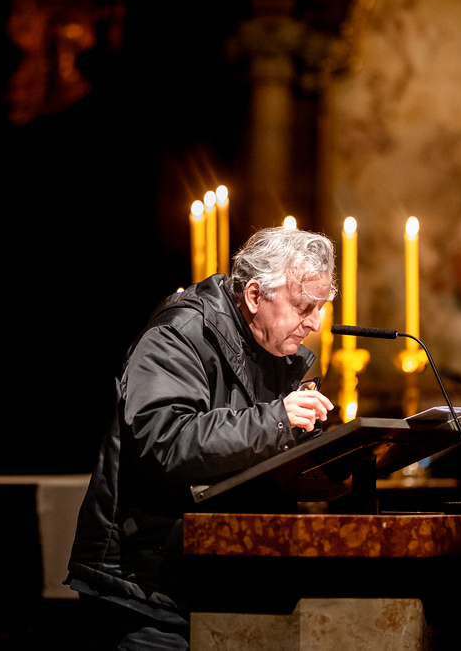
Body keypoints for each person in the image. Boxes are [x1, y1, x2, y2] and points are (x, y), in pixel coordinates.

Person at [66, 227, 337, 650]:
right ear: (254, 295)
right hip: (146, 586)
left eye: (321, 308)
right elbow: (164, 440)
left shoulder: (279, 354)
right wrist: (276, 422)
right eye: (304, 306)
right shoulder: (179, 333)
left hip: (222, 584)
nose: (316, 323)